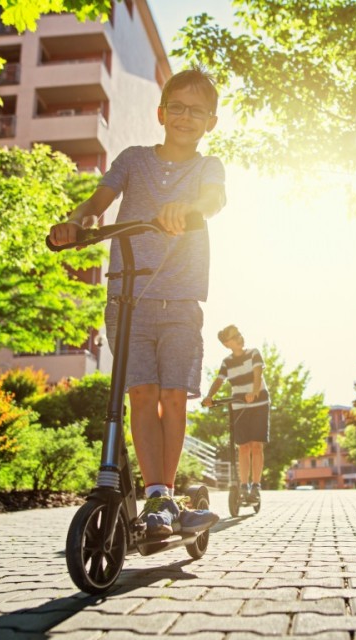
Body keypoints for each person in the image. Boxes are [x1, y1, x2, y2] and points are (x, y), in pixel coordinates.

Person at [48, 68, 225, 540]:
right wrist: (75, 220)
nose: (186, 116)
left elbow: (213, 199)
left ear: (211, 121)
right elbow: (96, 201)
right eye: (178, 107)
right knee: (141, 396)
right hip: (128, 298)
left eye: (197, 110)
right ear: (161, 112)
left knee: (172, 396)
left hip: (182, 299)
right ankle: (156, 495)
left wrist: (188, 210)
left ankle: (162, 497)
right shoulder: (133, 160)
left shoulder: (208, 167)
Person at [201, 325, 270, 502]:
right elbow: (219, 380)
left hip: (259, 403)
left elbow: (257, 373)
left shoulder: (253, 353)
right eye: (234, 336)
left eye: (239, 334)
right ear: (227, 344)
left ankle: (256, 486)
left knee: (256, 445)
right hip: (239, 406)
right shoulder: (227, 362)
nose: (240, 338)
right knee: (243, 446)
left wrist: (254, 391)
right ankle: (244, 485)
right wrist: (210, 396)